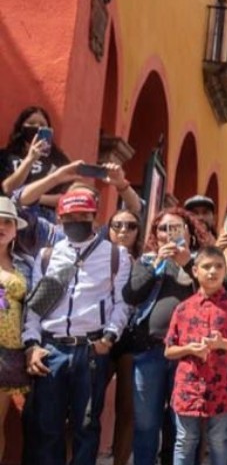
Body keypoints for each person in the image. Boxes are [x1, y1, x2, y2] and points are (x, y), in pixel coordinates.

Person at [22, 189, 132, 465]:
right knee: (47, 427)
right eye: (70, 216)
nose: (76, 220)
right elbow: (35, 306)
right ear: (60, 218)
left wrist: (110, 336)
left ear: (94, 216)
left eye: (83, 215)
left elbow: (122, 304)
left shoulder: (116, 256)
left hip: (91, 350)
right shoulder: (47, 256)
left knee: (86, 426)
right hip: (51, 349)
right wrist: (32, 345)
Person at [122, 208, 214, 465]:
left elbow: (215, 294)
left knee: (183, 425)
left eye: (175, 228)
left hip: (187, 355)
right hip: (150, 351)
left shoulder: (202, 262)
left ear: (189, 232)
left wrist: (187, 263)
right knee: (146, 424)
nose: (168, 233)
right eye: (163, 229)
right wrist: (154, 265)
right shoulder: (147, 261)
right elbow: (131, 294)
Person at [164, 247, 227, 465]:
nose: (212, 272)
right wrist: (190, 349)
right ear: (195, 271)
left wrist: (222, 343)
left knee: (218, 440)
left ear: (226, 271)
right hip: (189, 386)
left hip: (223, 385)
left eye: (218, 266)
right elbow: (169, 350)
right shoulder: (184, 308)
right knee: (185, 440)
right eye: (206, 267)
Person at [0, 197, 32, 462]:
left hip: (10, 352)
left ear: (15, 228)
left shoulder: (26, 265)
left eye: (6, 222)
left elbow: (34, 307)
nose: (1, 226)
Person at [1, 107, 70, 217]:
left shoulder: (58, 159)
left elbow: (68, 197)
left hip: (44, 218)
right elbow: (7, 189)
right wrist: (30, 159)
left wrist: (35, 197)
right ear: (21, 128)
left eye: (42, 125)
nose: (37, 127)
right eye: (31, 123)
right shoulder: (6, 156)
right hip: (11, 215)